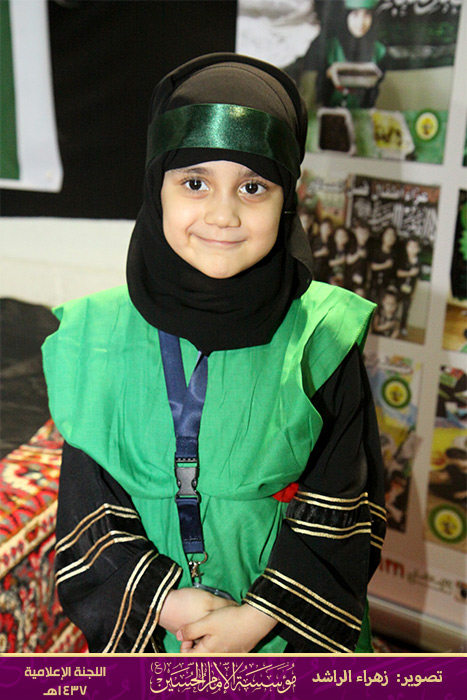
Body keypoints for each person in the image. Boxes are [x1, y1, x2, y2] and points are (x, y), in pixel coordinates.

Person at [42, 53, 386, 654]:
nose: (223, 215)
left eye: (253, 187)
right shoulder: (95, 335)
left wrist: (255, 619)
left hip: (280, 637)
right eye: (195, 183)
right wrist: (165, 601)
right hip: (157, 629)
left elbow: (345, 502)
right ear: (157, 186)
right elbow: (87, 507)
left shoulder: (324, 336)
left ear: (287, 199)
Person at [287, 0, 386, 109]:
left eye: (367, 14)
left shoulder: (379, 50)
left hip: (364, 109)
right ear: (346, 16)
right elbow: (320, 84)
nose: (361, 22)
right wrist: (329, 73)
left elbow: (376, 86)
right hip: (333, 108)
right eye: (355, 14)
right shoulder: (330, 47)